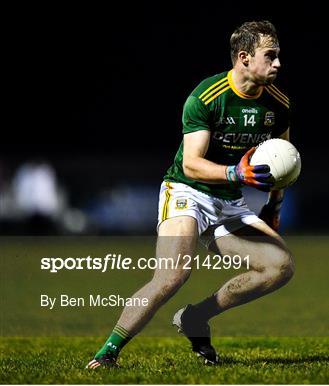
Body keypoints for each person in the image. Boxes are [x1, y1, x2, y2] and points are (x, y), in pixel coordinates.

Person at [87, 20, 294, 368]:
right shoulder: (206, 97)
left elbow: (282, 164)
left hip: (229, 202)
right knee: (172, 274)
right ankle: (107, 353)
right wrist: (235, 172)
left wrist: (273, 207)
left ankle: (196, 318)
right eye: (269, 56)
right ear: (244, 58)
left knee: (279, 266)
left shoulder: (279, 105)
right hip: (188, 191)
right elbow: (192, 165)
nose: (278, 64)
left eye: (278, 56)